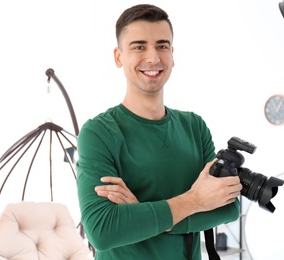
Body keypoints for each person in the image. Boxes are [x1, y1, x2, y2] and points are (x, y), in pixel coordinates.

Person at [76, 4, 242, 260]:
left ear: (172, 55)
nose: (153, 57)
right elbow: (103, 230)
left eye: (162, 46)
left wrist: (142, 214)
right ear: (118, 57)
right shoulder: (99, 132)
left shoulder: (194, 127)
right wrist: (195, 201)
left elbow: (228, 208)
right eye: (139, 46)